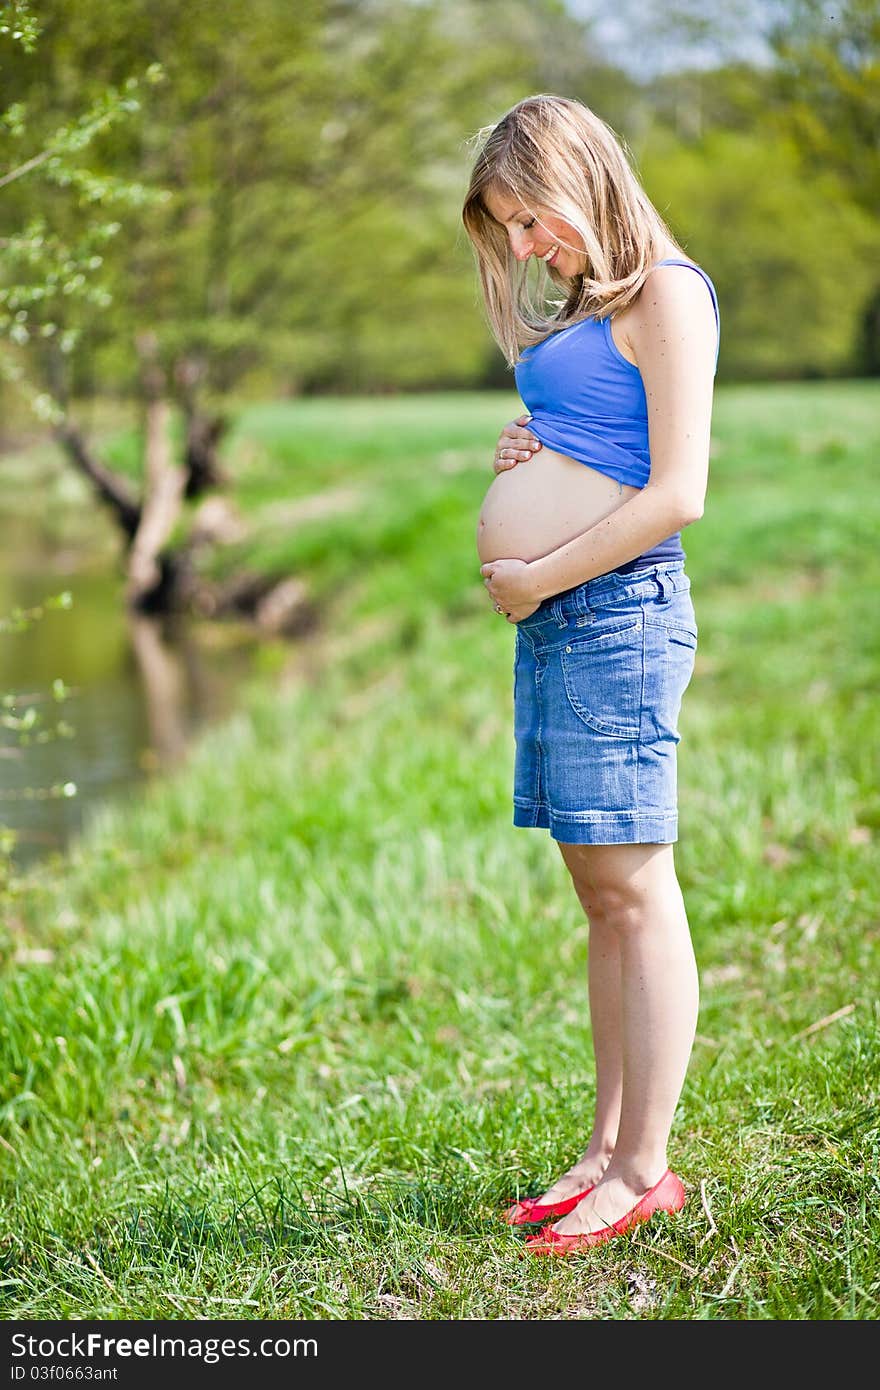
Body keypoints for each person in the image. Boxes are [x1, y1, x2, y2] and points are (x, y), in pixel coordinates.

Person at [461, 94, 720, 1255]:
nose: (525, 247)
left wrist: (538, 568)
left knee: (637, 890)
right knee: (598, 897)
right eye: (509, 230)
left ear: (580, 178)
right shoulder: (590, 307)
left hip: (614, 611)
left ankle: (644, 1167)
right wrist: (531, 447)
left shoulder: (668, 289)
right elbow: (596, 442)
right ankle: (605, 1146)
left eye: (530, 218)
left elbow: (677, 492)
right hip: (564, 622)